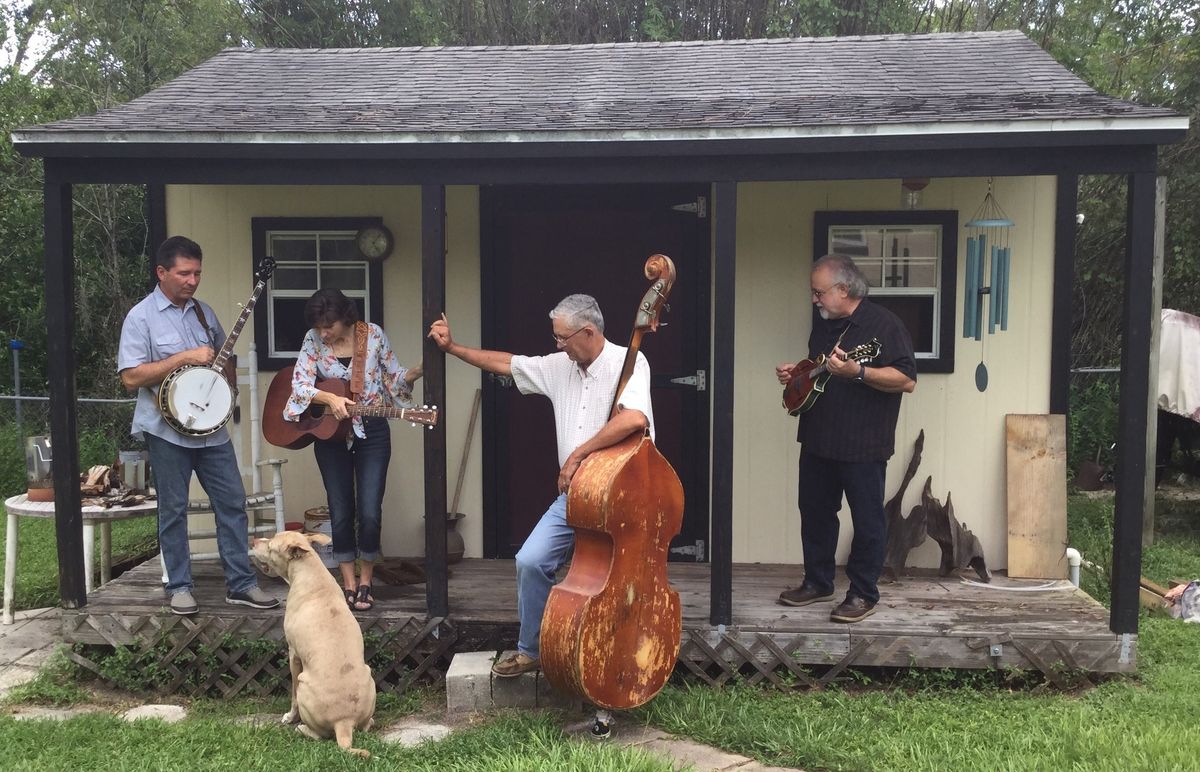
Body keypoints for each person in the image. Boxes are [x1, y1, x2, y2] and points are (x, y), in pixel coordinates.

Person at [428, 294, 654, 676]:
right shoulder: (559, 366)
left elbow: (633, 418)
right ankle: (531, 650)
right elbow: (506, 363)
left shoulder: (629, 361)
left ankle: (615, 654)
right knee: (530, 561)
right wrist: (452, 348)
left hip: (620, 496)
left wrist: (578, 454)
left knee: (617, 580)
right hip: (576, 496)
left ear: (588, 332)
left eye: (562, 338)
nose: (558, 345)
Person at [118, 236, 280, 615]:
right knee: (172, 509)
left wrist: (226, 389)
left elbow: (226, 357)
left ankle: (240, 585)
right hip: (166, 430)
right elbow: (130, 377)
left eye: (198, 273)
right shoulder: (141, 317)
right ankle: (179, 586)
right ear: (162, 272)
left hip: (212, 432)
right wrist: (185, 357)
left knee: (232, 504)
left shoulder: (204, 313)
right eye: (184, 273)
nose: (193, 281)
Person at [774, 254, 917, 623]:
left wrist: (858, 371)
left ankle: (863, 593)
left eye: (819, 292)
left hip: (862, 444)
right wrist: (799, 373)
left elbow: (906, 380)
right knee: (816, 513)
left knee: (868, 520)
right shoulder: (823, 325)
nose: (814, 299)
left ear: (844, 288)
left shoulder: (884, 325)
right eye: (813, 292)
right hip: (818, 439)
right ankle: (818, 582)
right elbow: (819, 369)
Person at [283, 288, 422, 611]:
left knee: (370, 511)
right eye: (318, 326)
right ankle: (347, 583)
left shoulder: (372, 336)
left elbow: (394, 380)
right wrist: (329, 398)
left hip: (372, 431)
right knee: (341, 510)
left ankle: (366, 581)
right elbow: (300, 385)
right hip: (331, 436)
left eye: (328, 325)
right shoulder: (312, 340)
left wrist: (417, 371)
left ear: (345, 318)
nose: (323, 332)